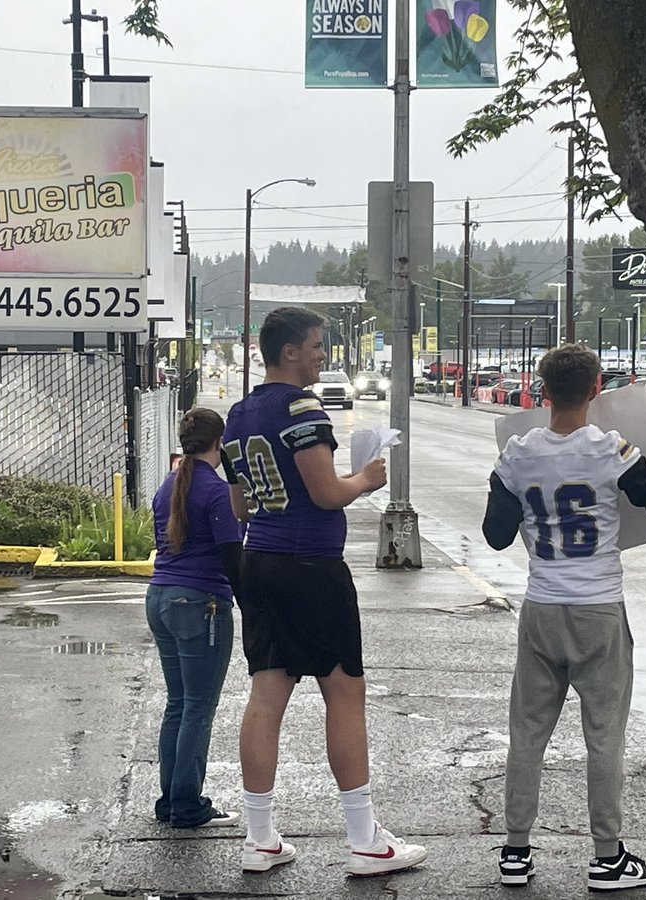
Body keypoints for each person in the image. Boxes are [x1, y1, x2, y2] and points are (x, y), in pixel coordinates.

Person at [482, 343, 646, 892]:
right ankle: (607, 858)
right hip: (598, 606)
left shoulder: (518, 452)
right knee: (604, 736)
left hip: (541, 605)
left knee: (527, 734)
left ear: (542, 391)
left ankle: (515, 851)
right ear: (597, 389)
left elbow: (494, 534)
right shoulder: (611, 450)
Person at [222, 306, 428, 877]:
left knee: (266, 698)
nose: (321, 355)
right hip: (310, 564)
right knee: (344, 692)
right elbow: (325, 492)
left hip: (258, 558)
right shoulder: (301, 407)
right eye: (315, 346)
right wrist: (366, 479)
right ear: (290, 350)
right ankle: (364, 838)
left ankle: (259, 837)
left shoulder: (238, 413)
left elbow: (239, 504)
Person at [146, 407, 248, 829]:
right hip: (201, 603)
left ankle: (170, 799)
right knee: (198, 707)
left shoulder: (168, 486)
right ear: (218, 443)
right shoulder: (215, 491)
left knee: (178, 703)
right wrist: (254, 606)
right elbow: (232, 557)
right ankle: (188, 805)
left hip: (161, 598)